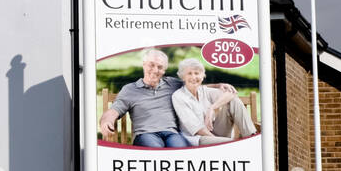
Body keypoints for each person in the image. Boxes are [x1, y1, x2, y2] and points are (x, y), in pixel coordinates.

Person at [98, 48, 237, 148]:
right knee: (156, 152)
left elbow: (194, 84)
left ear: (164, 70)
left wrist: (218, 85)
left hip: (172, 134)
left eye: (160, 67)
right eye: (151, 65)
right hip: (146, 134)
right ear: (144, 65)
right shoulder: (130, 89)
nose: (155, 70)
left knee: (181, 152)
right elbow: (113, 111)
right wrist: (106, 122)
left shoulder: (172, 84)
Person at [173, 58, 257, 146]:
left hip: (215, 132)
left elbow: (231, 94)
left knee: (232, 101)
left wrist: (212, 107)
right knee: (236, 144)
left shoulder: (204, 90)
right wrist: (217, 142)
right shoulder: (178, 96)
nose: (194, 77)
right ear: (183, 77)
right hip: (198, 138)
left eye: (197, 73)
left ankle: (251, 136)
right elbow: (197, 129)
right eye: (189, 73)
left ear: (202, 76)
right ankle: (247, 143)